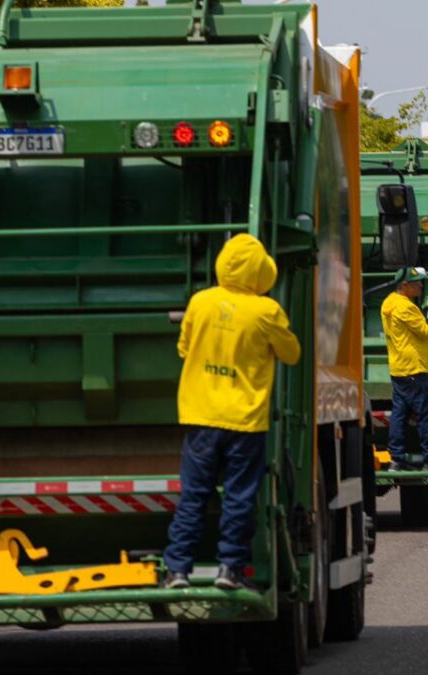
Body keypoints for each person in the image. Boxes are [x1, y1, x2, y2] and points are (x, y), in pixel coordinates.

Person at [164, 234, 302, 591]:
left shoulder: (201, 302)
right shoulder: (266, 310)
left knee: (194, 495)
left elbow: (183, 348)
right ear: (261, 271)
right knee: (239, 498)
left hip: (201, 416)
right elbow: (292, 354)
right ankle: (230, 569)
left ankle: (178, 570)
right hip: (245, 420)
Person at [381, 267, 428, 470]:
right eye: (417, 282)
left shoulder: (388, 303)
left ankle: (396, 458)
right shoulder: (406, 307)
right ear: (404, 286)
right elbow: (422, 331)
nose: (421, 285)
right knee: (424, 414)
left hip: (398, 368)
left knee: (399, 415)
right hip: (414, 368)